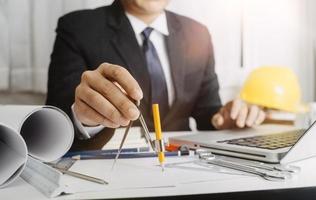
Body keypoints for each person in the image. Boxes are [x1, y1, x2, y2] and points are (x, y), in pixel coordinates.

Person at [46, 0, 266, 150]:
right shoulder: (78, 27)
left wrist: (226, 119)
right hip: (111, 162)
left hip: (185, 164)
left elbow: (207, 112)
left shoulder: (197, 32)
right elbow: (56, 120)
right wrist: (86, 118)